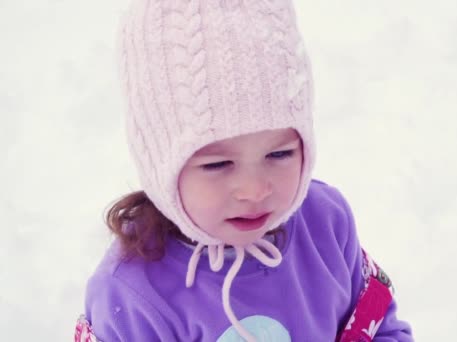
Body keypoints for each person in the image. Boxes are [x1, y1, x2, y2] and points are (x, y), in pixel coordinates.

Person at [78, 0, 414, 340]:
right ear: (160, 163)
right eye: (218, 164)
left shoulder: (326, 222)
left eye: (279, 153)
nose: (254, 190)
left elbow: (374, 324)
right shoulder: (131, 293)